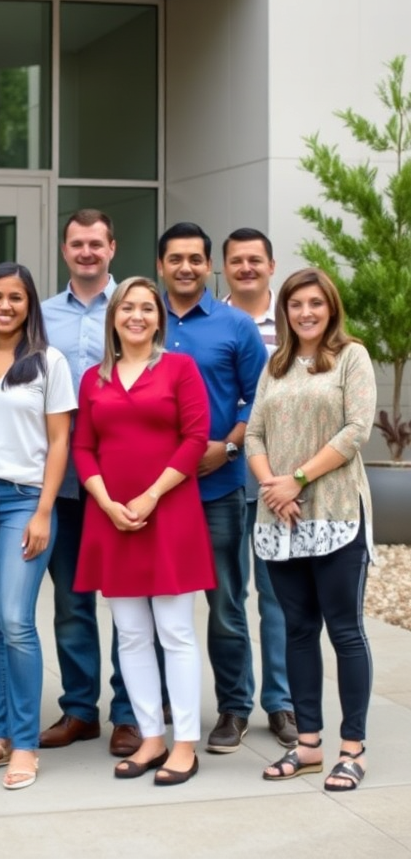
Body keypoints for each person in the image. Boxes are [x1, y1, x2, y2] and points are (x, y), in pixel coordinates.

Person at [73, 276, 214, 785]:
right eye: (127, 307)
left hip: (169, 513)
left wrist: (151, 494)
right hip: (112, 516)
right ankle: (150, 736)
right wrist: (108, 502)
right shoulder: (93, 378)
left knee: (175, 633)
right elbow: (83, 447)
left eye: (146, 308)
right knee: (130, 634)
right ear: (113, 317)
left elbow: (197, 438)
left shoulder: (180, 368)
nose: (136, 316)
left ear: (159, 318)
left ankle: (184, 744)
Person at [246, 268, 375, 792]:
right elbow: (253, 432)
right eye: (296, 304)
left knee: (344, 631)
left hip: (337, 512)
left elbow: (356, 430)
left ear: (330, 308)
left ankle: (353, 749)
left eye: (315, 304)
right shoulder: (275, 366)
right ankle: (308, 747)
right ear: (285, 310)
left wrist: (296, 479)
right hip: (280, 518)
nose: (306, 313)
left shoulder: (352, 357)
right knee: (297, 632)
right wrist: (272, 488)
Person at [0, 263, 73, 791]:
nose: (5, 306)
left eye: (16, 298)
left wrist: (45, 510)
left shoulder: (49, 361)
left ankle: (25, 743)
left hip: (25, 499)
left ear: (29, 306)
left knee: (15, 621)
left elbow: (61, 441)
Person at [157, 221, 266, 755]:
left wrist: (226, 446)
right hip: (154, 492)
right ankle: (152, 708)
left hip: (216, 486)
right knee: (152, 602)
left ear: (209, 266)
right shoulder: (139, 319)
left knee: (224, 601)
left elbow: (256, 400)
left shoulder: (235, 326)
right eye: (175, 258)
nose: (185, 267)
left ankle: (233, 707)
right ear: (160, 265)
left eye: (195, 259)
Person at [40, 209, 141, 758]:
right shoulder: (42, 314)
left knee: (126, 598)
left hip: (126, 479)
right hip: (65, 483)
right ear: (64, 251)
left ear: (111, 248)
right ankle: (80, 709)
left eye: (95, 243)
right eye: (76, 244)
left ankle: (129, 713)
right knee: (72, 601)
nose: (86, 252)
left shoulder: (134, 308)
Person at [221, 228, 296, 747]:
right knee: (227, 599)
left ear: (271, 265)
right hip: (224, 482)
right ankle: (233, 704)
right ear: (223, 268)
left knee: (277, 598)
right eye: (236, 261)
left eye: (255, 260)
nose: (246, 268)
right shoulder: (209, 322)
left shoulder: (297, 324)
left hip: (279, 489)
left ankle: (283, 702)